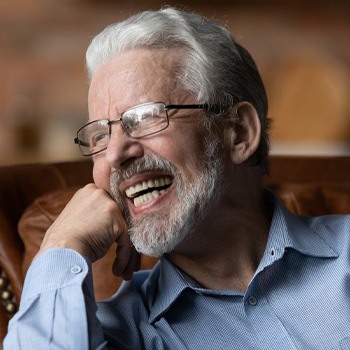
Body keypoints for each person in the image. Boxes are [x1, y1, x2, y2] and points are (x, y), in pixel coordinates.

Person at [4, 7, 350, 350]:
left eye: (144, 117)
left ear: (239, 133)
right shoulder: (119, 334)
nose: (114, 154)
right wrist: (61, 245)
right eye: (99, 136)